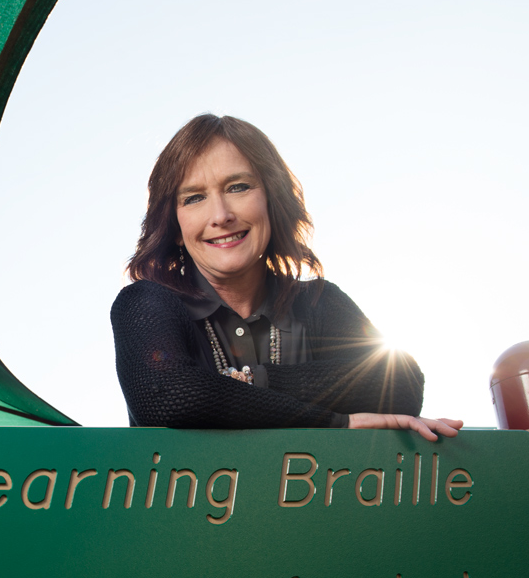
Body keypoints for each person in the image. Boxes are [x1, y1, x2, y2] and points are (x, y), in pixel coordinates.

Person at [111, 114, 461, 442]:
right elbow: (170, 397)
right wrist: (338, 421)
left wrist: (252, 381)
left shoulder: (318, 302)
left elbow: (400, 383)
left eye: (238, 187)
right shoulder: (144, 303)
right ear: (174, 226)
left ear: (272, 201)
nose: (221, 215)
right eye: (195, 198)